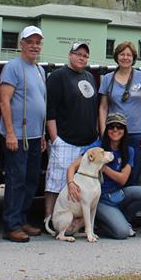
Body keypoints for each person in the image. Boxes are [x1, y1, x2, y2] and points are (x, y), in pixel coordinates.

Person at [66, 114, 141, 239]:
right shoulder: (97, 147)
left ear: (124, 130)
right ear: (106, 129)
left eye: (119, 127)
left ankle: (122, 219)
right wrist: (71, 183)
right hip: (100, 198)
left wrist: (104, 168)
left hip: (119, 193)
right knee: (122, 233)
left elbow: (123, 179)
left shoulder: (129, 150)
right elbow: (72, 167)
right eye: (111, 126)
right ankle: (104, 222)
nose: (115, 130)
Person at [43, 42, 100, 231]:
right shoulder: (57, 76)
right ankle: (49, 218)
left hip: (88, 142)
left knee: (84, 185)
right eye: (78, 54)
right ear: (70, 55)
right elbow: (50, 110)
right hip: (65, 141)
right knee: (56, 182)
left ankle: (76, 224)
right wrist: (55, 139)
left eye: (85, 55)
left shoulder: (89, 77)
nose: (82, 58)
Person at [0, 26, 47, 243]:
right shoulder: (12, 68)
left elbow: (41, 102)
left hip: (35, 136)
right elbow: (4, 101)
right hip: (18, 136)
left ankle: (22, 219)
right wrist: (10, 133)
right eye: (30, 42)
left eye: (38, 43)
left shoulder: (39, 70)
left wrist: (43, 133)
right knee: (16, 180)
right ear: (22, 44)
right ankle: (11, 225)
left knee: (31, 180)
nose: (34, 46)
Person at [98, 41, 141, 184]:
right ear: (117, 56)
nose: (125, 57)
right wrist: (103, 132)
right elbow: (103, 107)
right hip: (115, 132)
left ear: (133, 58)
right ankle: (114, 197)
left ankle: (129, 197)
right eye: (122, 54)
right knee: (113, 169)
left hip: (136, 132)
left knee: (133, 173)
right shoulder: (108, 79)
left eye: (129, 55)